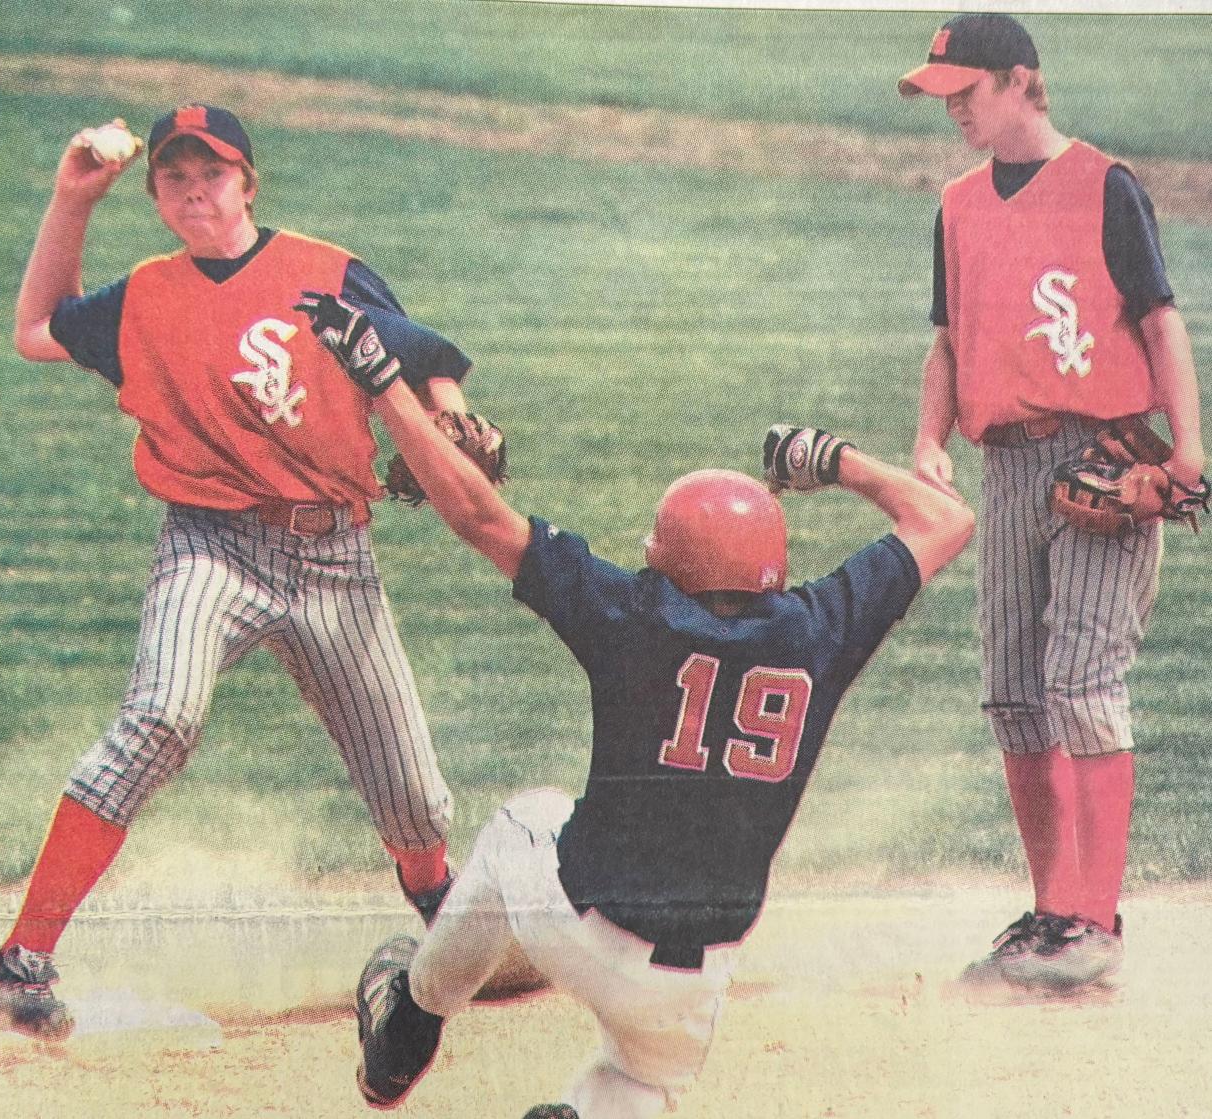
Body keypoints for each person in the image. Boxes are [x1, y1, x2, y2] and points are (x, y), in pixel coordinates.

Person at [292, 300, 974, 1118]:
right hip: (693, 981)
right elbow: (948, 516)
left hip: (575, 923)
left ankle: (410, 1017)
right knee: (643, 1079)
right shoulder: (824, 627)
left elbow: (476, 513)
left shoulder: (630, 614)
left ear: (669, 558)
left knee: (524, 819)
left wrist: (384, 385)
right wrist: (830, 460)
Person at [0, 105, 472, 1039]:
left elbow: (427, 355)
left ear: (249, 182)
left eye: (214, 173)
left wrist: (450, 415)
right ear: (157, 193)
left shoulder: (324, 272)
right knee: (158, 717)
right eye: (175, 177)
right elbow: (36, 327)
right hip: (209, 545)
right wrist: (71, 200)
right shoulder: (147, 295)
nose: (195, 190)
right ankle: (21, 960)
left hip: (334, 561)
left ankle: (449, 920)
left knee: (410, 797)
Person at [899, 13, 1206, 992]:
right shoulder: (956, 204)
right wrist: (926, 444)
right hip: (1005, 467)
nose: (952, 106)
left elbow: (1161, 323)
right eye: (943, 92)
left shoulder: (1105, 186)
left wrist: (1190, 451)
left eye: (967, 89)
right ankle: (1050, 912)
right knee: (1015, 695)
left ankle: (1095, 914)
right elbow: (947, 342)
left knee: (1081, 681)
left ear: (1021, 81)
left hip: (1102, 456)